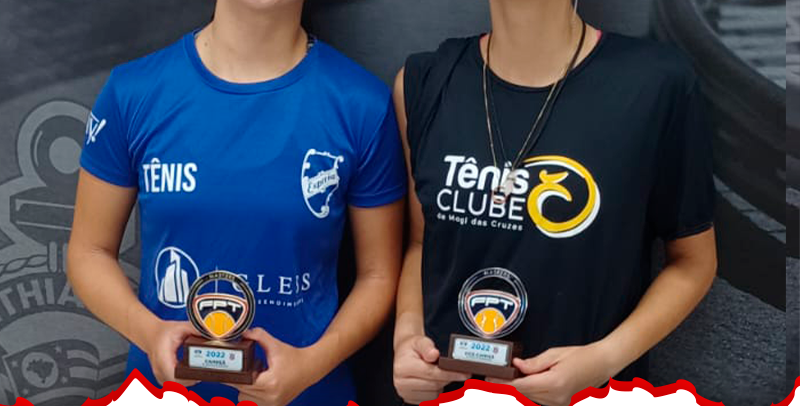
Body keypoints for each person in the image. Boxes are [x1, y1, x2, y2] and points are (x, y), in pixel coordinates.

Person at [66, 0, 407, 404]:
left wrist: (310, 364)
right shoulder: (132, 92)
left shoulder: (362, 104)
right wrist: (150, 333)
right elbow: (89, 252)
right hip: (165, 394)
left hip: (310, 394)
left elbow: (378, 276)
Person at [392, 1, 718, 405]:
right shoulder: (425, 81)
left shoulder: (655, 83)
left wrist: (604, 360)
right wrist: (407, 340)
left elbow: (692, 262)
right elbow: (421, 244)